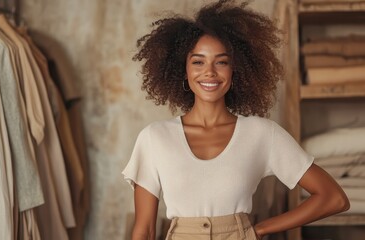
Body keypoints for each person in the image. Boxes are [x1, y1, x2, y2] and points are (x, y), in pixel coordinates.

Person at [122, 0, 350, 239]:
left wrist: (259, 229)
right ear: (183, 69)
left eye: (221, 62)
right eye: (198, 61)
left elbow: (333, 198)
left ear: (236, 70)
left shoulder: (262, 133)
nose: (209, 71)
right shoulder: (154, 138)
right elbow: (145, 229)